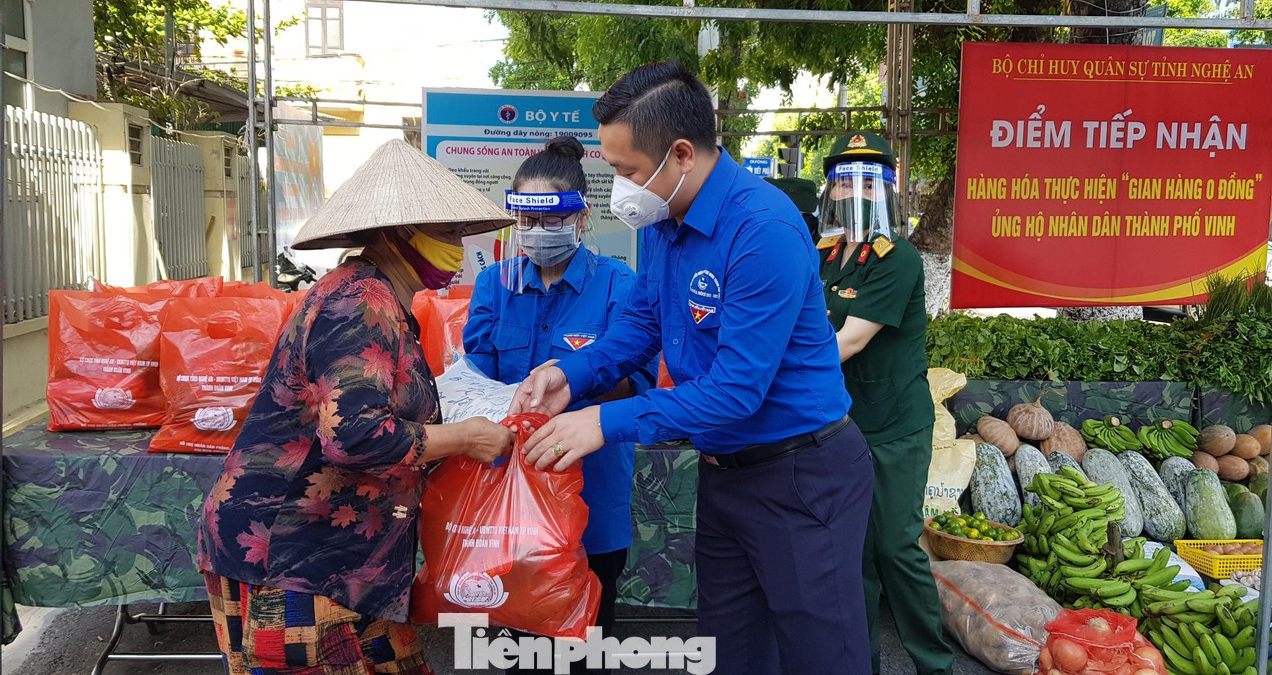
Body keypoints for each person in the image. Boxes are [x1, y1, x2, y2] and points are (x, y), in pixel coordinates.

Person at [508, 61, 875, 674]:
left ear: (679, 154)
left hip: (802, 475)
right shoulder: (663, 221)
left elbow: (736, 391)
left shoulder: (763, 229)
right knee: (731, 652)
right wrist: (571, 373)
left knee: (821, 657)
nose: (620, 186)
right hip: (724, 474)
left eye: (625, 170)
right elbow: (641, 326)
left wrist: (603, 420)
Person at [197, 139, 517, 675]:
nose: (458, 248)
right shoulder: (358, 302)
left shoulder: (384, 299)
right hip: (291, 555)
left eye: (460, 234)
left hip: (349, 558)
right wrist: (465, 437)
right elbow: (356, 436)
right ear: (396, 233)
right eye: (445, 233)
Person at [462, 136, 656, 673]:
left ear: (581, 217)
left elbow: (637, 380)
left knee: (585, 641)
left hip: (589, 492)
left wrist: (571, 388)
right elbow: (474, 373)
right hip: (508, 498)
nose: (534, 234)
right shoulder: (493, 285)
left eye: (549, 221)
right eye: (524, 221)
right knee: (513, 641)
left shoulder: (622, 286)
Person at [817, 132, 953, 675]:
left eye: (867, 181)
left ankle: (933, 663)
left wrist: (773, 374)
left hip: (894, 425)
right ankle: (861, 662)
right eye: (845, 179)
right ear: (832, 188)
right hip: (839, 422)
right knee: (854, 555)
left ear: (887, 190)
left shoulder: (899, 259)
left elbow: (849, 339)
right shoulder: (822, 252)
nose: (855, 191)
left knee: (896, 547)